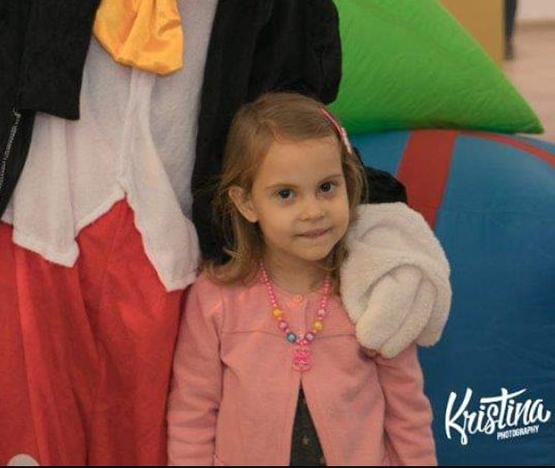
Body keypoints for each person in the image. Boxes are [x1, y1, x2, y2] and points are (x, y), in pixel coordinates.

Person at [167, 93, 438, 465]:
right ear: (247, 203)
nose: (313, 211)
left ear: (348, 183)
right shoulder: (215, 297)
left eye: (326, 187)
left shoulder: (374, 289)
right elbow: (192, 413)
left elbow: (408, 414)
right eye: (286, 194)